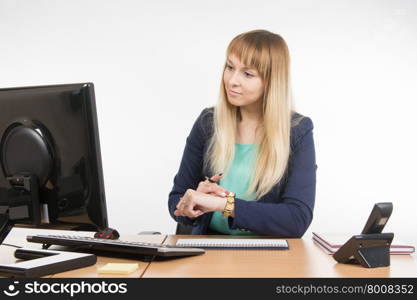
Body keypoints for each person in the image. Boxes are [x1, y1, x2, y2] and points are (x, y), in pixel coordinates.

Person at [168, 29, 316, 237]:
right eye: (230, 67)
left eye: (247, 74)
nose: (232, 80)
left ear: (271, 82)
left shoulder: (297, 131)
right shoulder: (208, 122)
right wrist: (191, 202)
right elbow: (175, 201)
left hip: (269, 257)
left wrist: (225, 204)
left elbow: (296, 219)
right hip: (208, 251)